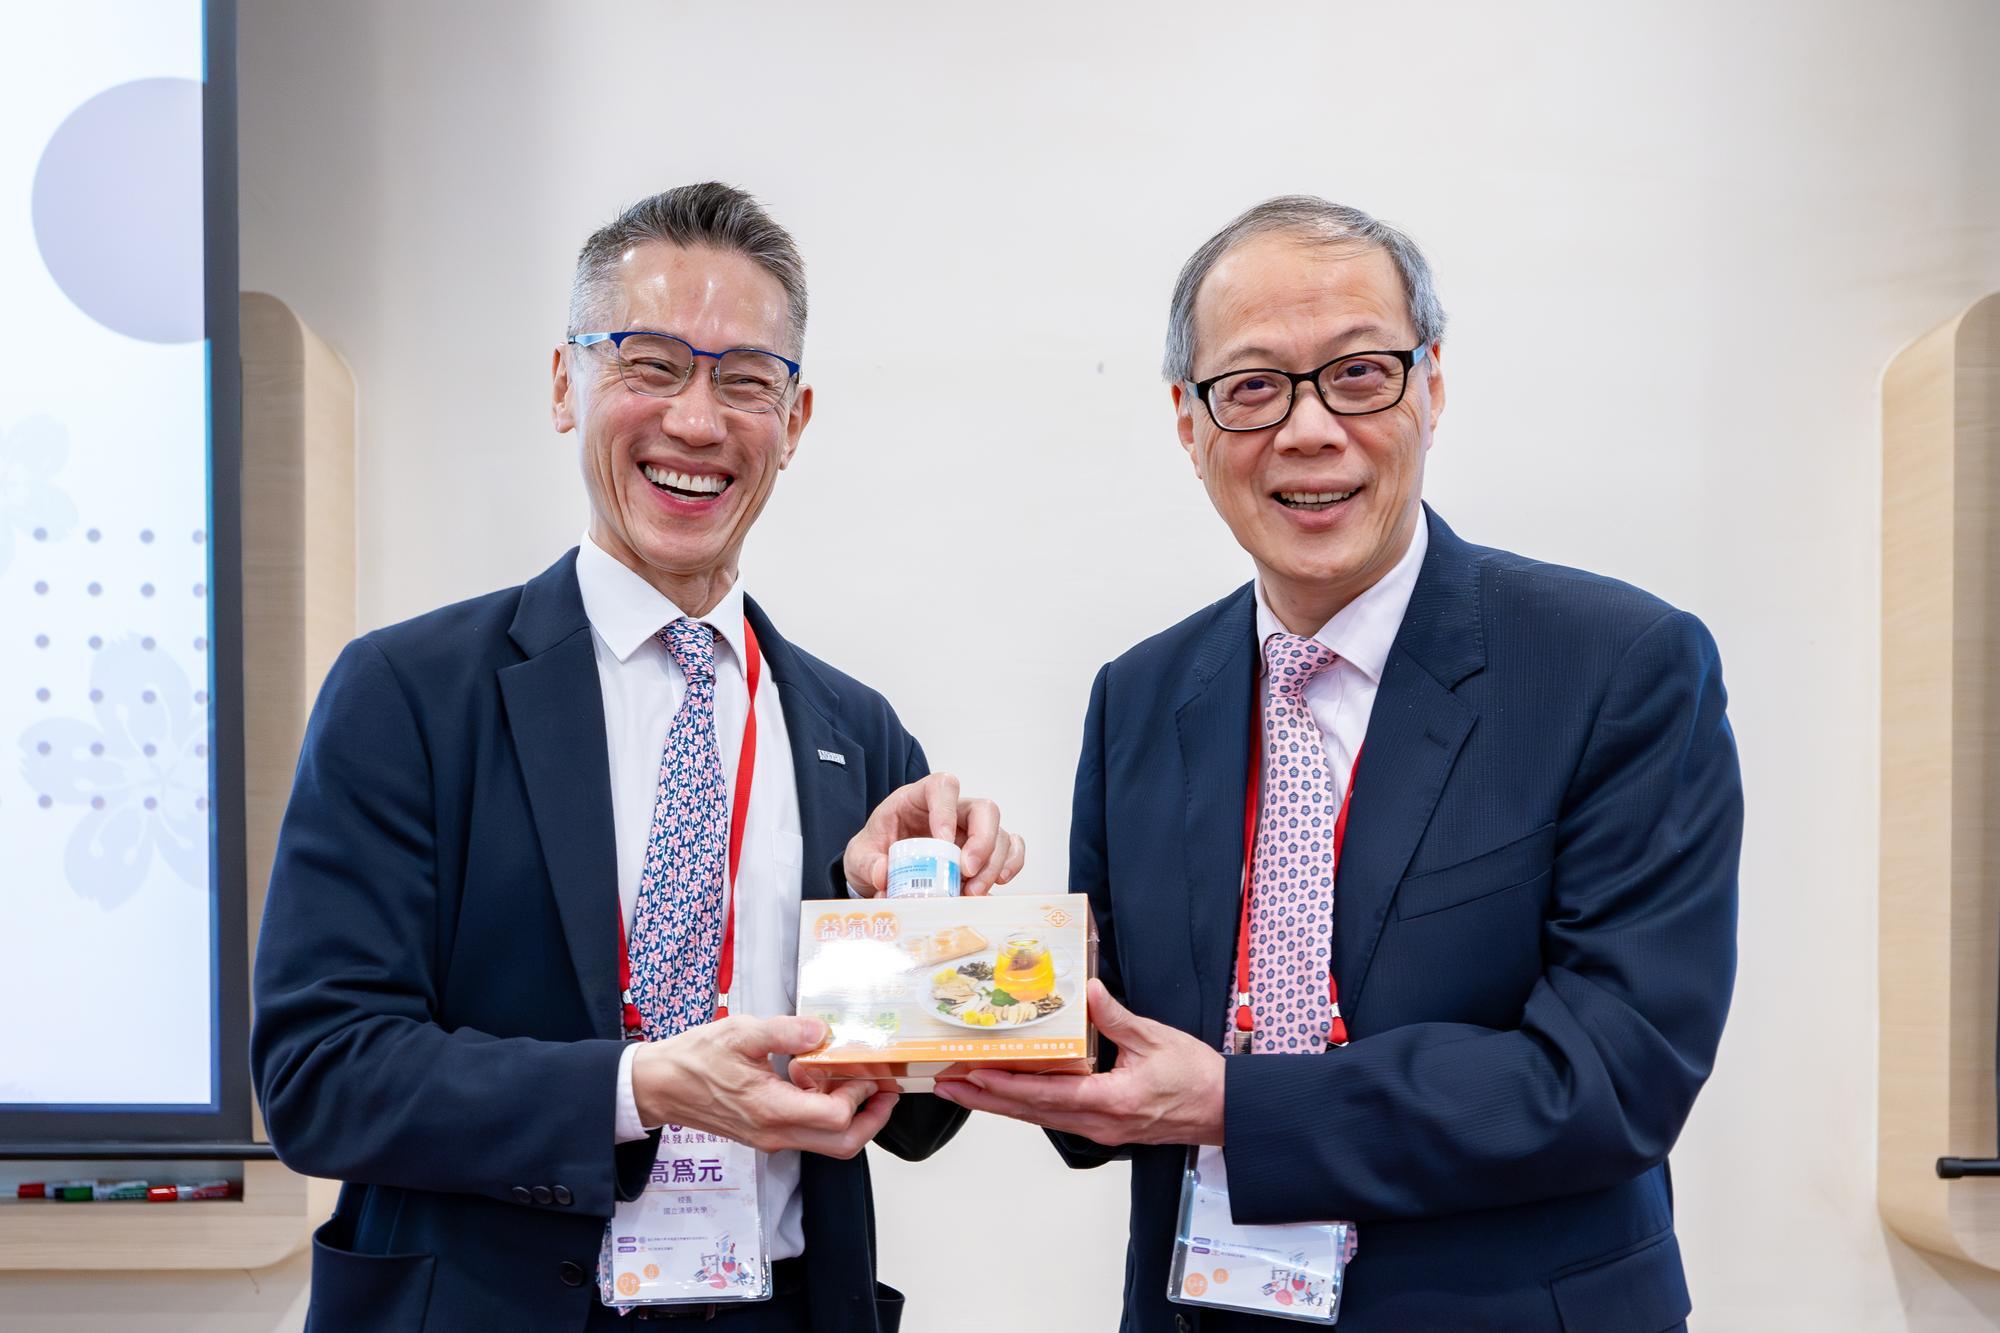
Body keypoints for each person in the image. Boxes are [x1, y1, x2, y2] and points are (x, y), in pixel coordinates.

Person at [935, 196, 1740, 1331]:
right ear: (1186, 419)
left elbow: (1611, 1078)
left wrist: (1237, 1106)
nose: (1309, 431)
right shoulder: (1140, 695)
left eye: (1357, 373)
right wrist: (925, 934)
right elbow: (1111, 1050)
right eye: (1253, 386)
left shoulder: (1614, 665)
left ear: (1430, 383)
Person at [251, 183, 1023, 1333]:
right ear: (566, 384)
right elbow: (321, 1072)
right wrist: (639, 1087)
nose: (698, 422)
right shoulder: (408, 693)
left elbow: (912, 1116)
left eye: (745, 381)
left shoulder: (853, 736)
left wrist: (938, 946)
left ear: (795, 420)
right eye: (650, 363)